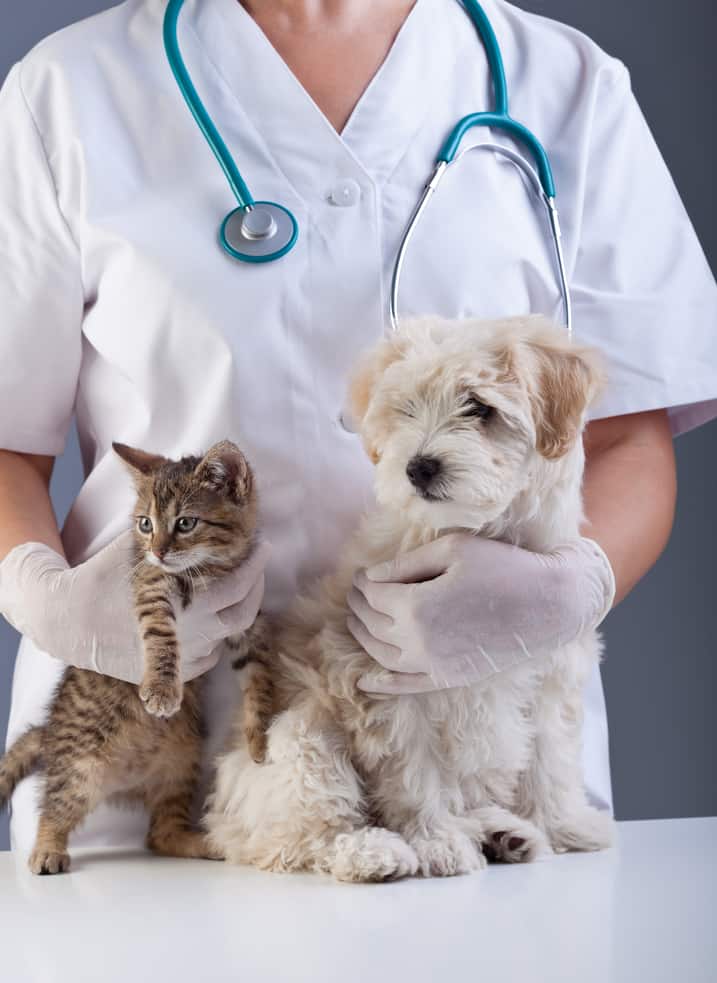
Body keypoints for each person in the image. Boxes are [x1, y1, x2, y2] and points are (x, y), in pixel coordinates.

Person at [0, 0, 715, 854]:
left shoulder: (565, 85)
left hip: (484, 754)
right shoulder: (71, 89)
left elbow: (627, 434)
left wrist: (572, 585)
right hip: (154, 746)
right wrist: (48, 597)